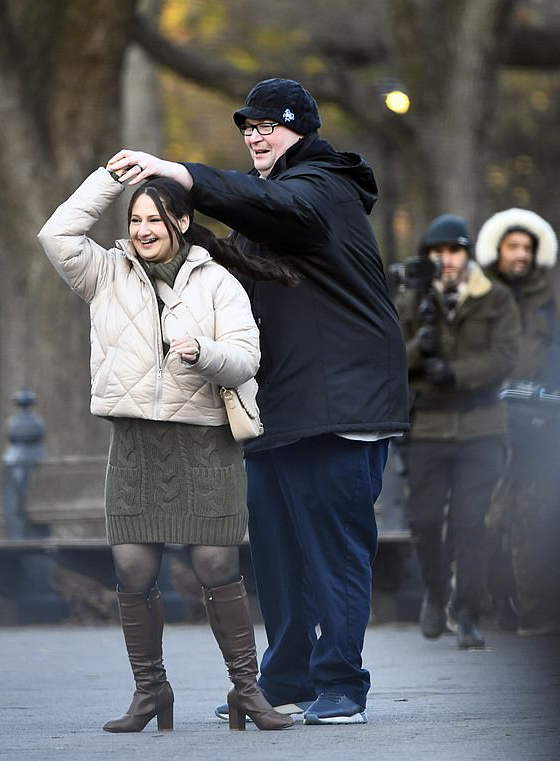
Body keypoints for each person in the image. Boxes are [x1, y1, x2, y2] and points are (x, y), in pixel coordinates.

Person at [106, 77, 409, 725]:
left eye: (269, 125)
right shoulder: (275, 206)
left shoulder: (323, 189)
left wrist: (183, 173)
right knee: (277, 554)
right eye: (247, 127)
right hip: (280, 407)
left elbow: (280, 212)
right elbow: (244, 261)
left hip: (344, 404)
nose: (255, 135)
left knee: (333, 550)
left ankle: (342, 683)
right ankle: (288, 674)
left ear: (302, 129)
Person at [38, 167, 294, 732]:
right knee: (131, 568)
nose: (143, 229)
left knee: (215, 562)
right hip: (135, 442)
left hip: (205, 439)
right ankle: (151, 690)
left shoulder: (218, 283)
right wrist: (108, 179)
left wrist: (202, 351)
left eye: (155, 218)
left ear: (182, 222)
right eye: (135, 219)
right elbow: (56, 235)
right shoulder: (105, 272)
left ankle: (247, 691)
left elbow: (246, 360)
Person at [395, 215, 520, 648]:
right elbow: (386, 353)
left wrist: (457, 373)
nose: (445, 260)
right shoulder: (411, 299)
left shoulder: (495, 298)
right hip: (426, 427)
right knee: (426, 521)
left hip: (480, 426)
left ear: (467, 254)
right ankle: (435, 591)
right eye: (437, 251)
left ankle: (468, 611)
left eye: (453, 251)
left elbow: (506, 355)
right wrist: (417, 350)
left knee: (471, 523)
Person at [476, 208, 559, 636]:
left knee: (534, 513)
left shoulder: (550, 301)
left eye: (527, 247)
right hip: (488, 419)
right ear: (499, 251)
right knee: (488, 518)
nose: (521, 254)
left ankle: (533, 610)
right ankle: (483, 604)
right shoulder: (480, 294)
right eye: (513, 246)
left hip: (540, 422)